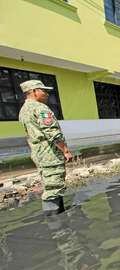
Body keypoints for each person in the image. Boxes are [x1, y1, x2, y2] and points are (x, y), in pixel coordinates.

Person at [18, 80, 72, 216]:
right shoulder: (40, 108)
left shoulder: (24, 109)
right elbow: (52, 133)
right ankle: (55, 224)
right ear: (34, 91)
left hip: (38, 153)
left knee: (51, 183)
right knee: (53, 187)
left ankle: (59, 214)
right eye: (43, 91)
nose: (47, 94)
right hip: (49, 153)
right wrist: (65, 150)